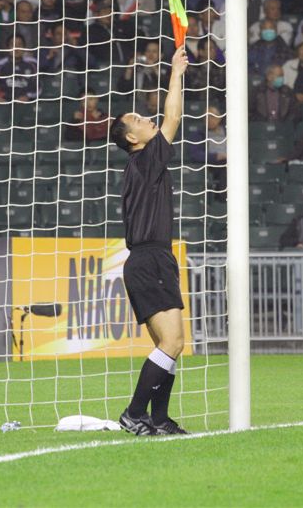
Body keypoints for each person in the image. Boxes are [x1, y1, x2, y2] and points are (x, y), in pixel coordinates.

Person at [108, 45, 191, 436]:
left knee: (171, 345)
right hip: (149, 260)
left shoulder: (140, 166)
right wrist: (176, 72)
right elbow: (173, 117)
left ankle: (158, 419)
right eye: (138, 120)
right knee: (172, 342)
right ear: (132, 138)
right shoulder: (145, 159)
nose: (147, 119)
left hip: (151, 260)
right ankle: (134, 413)